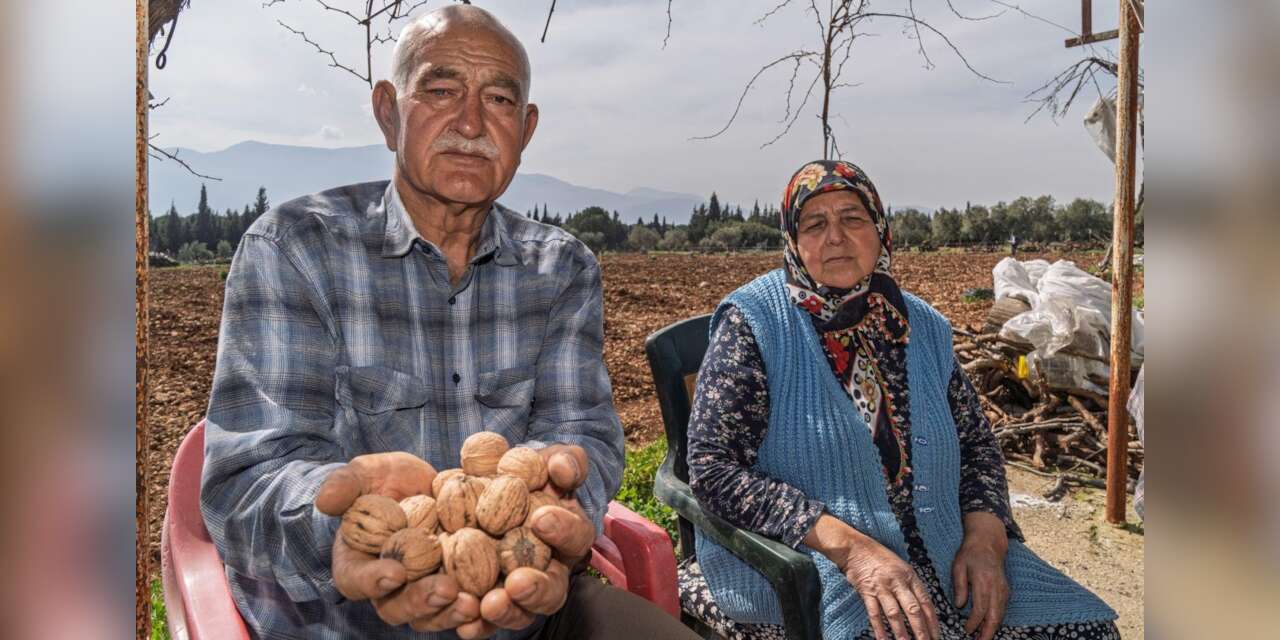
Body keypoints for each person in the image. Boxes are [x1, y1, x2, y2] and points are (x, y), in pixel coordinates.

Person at [200, 6, 697, 639]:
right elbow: (250, 480)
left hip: (526, 604)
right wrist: (347, 530)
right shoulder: (294, 250)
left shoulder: (561, 268)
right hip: (338, 622)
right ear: (388, 112)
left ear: (525, 128)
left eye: (498, 100)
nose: (470, 123)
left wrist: (557, 508)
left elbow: (582, 434)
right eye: (440, 91)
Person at [686, 160, 1119, 640]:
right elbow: (713, 469)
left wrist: (986, 539)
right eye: (815, 224)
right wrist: (850, 549)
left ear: (879, 229)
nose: (835, 237)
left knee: (1090, 632)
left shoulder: (921, 325)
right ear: (793, 239)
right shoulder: (753, 324)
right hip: (811, 564)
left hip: (945, 549)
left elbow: (976, 445)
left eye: (852, 218)